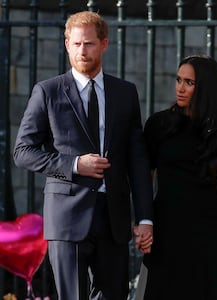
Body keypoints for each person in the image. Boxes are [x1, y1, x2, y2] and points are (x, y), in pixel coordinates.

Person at [14, 11, 153, 300]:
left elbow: (137, 161)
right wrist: (75, 164)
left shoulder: (125, 93)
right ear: (67, 44)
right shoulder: (48, 92)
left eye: (89, 44)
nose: (82, 51)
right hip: (67, 219)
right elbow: (23, 152)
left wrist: (144, 218)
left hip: (113, 219)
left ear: (104, 44)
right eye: (76, 44)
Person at [136, 54, 217, 299]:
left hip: (209, 232)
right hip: (167, 227)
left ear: (206, 88)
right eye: (178, 80)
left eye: (189, 82)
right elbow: (145, 180)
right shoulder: (158, 124)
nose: (180, 87)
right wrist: (143, 222)